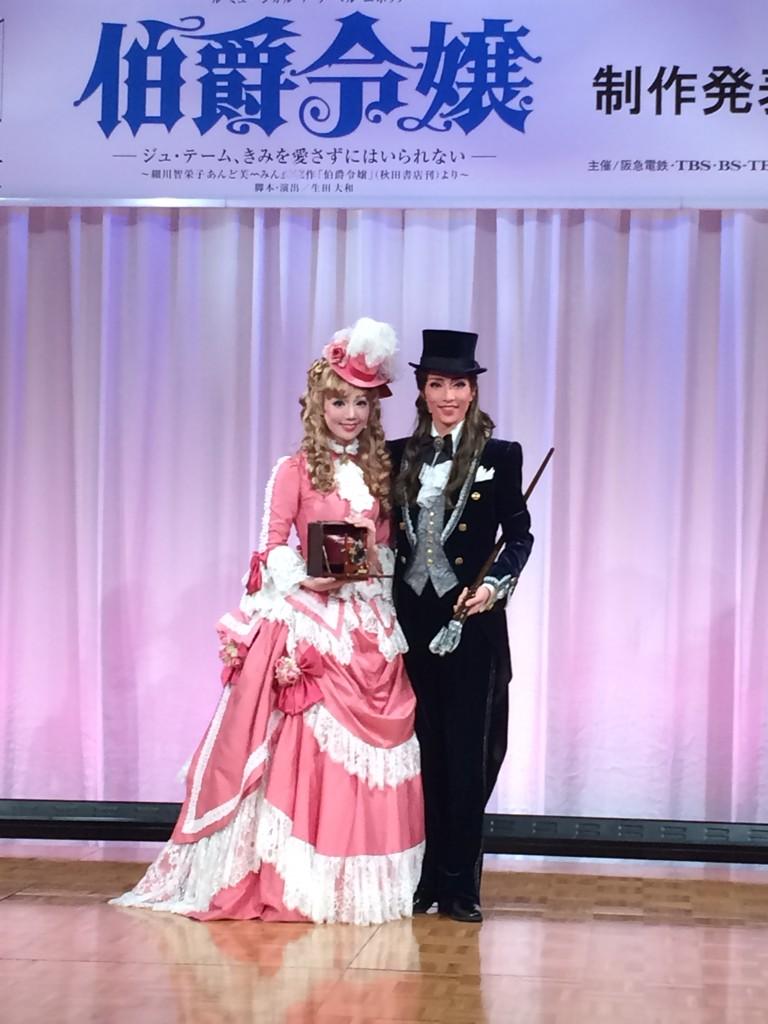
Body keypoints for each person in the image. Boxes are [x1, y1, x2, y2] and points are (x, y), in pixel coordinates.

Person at [113, 318, 424, 925]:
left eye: (361, 403)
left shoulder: (383, 473)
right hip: (311, 616)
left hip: (368, 617)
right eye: (340, 401)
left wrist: (369, 557)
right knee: (301, 746)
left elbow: (387, 548)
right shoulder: (293, 470)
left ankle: (354, 878)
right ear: (318, 405)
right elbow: (272, 544)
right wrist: (308, 579)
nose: (351, 414)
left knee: (373, 746)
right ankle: (295, 876)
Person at [389, 329, 533, 923]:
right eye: (437, 384)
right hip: (410, 626)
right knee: (422, 755)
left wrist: (493, 586)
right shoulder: (395, 456)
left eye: (458, 385)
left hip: (470, 625)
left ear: (473, 391)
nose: (448, 396)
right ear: (422, 391)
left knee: (468, 757)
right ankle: (424, 879)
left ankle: (461, 885)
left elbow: (519, 537)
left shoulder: (501, 456)